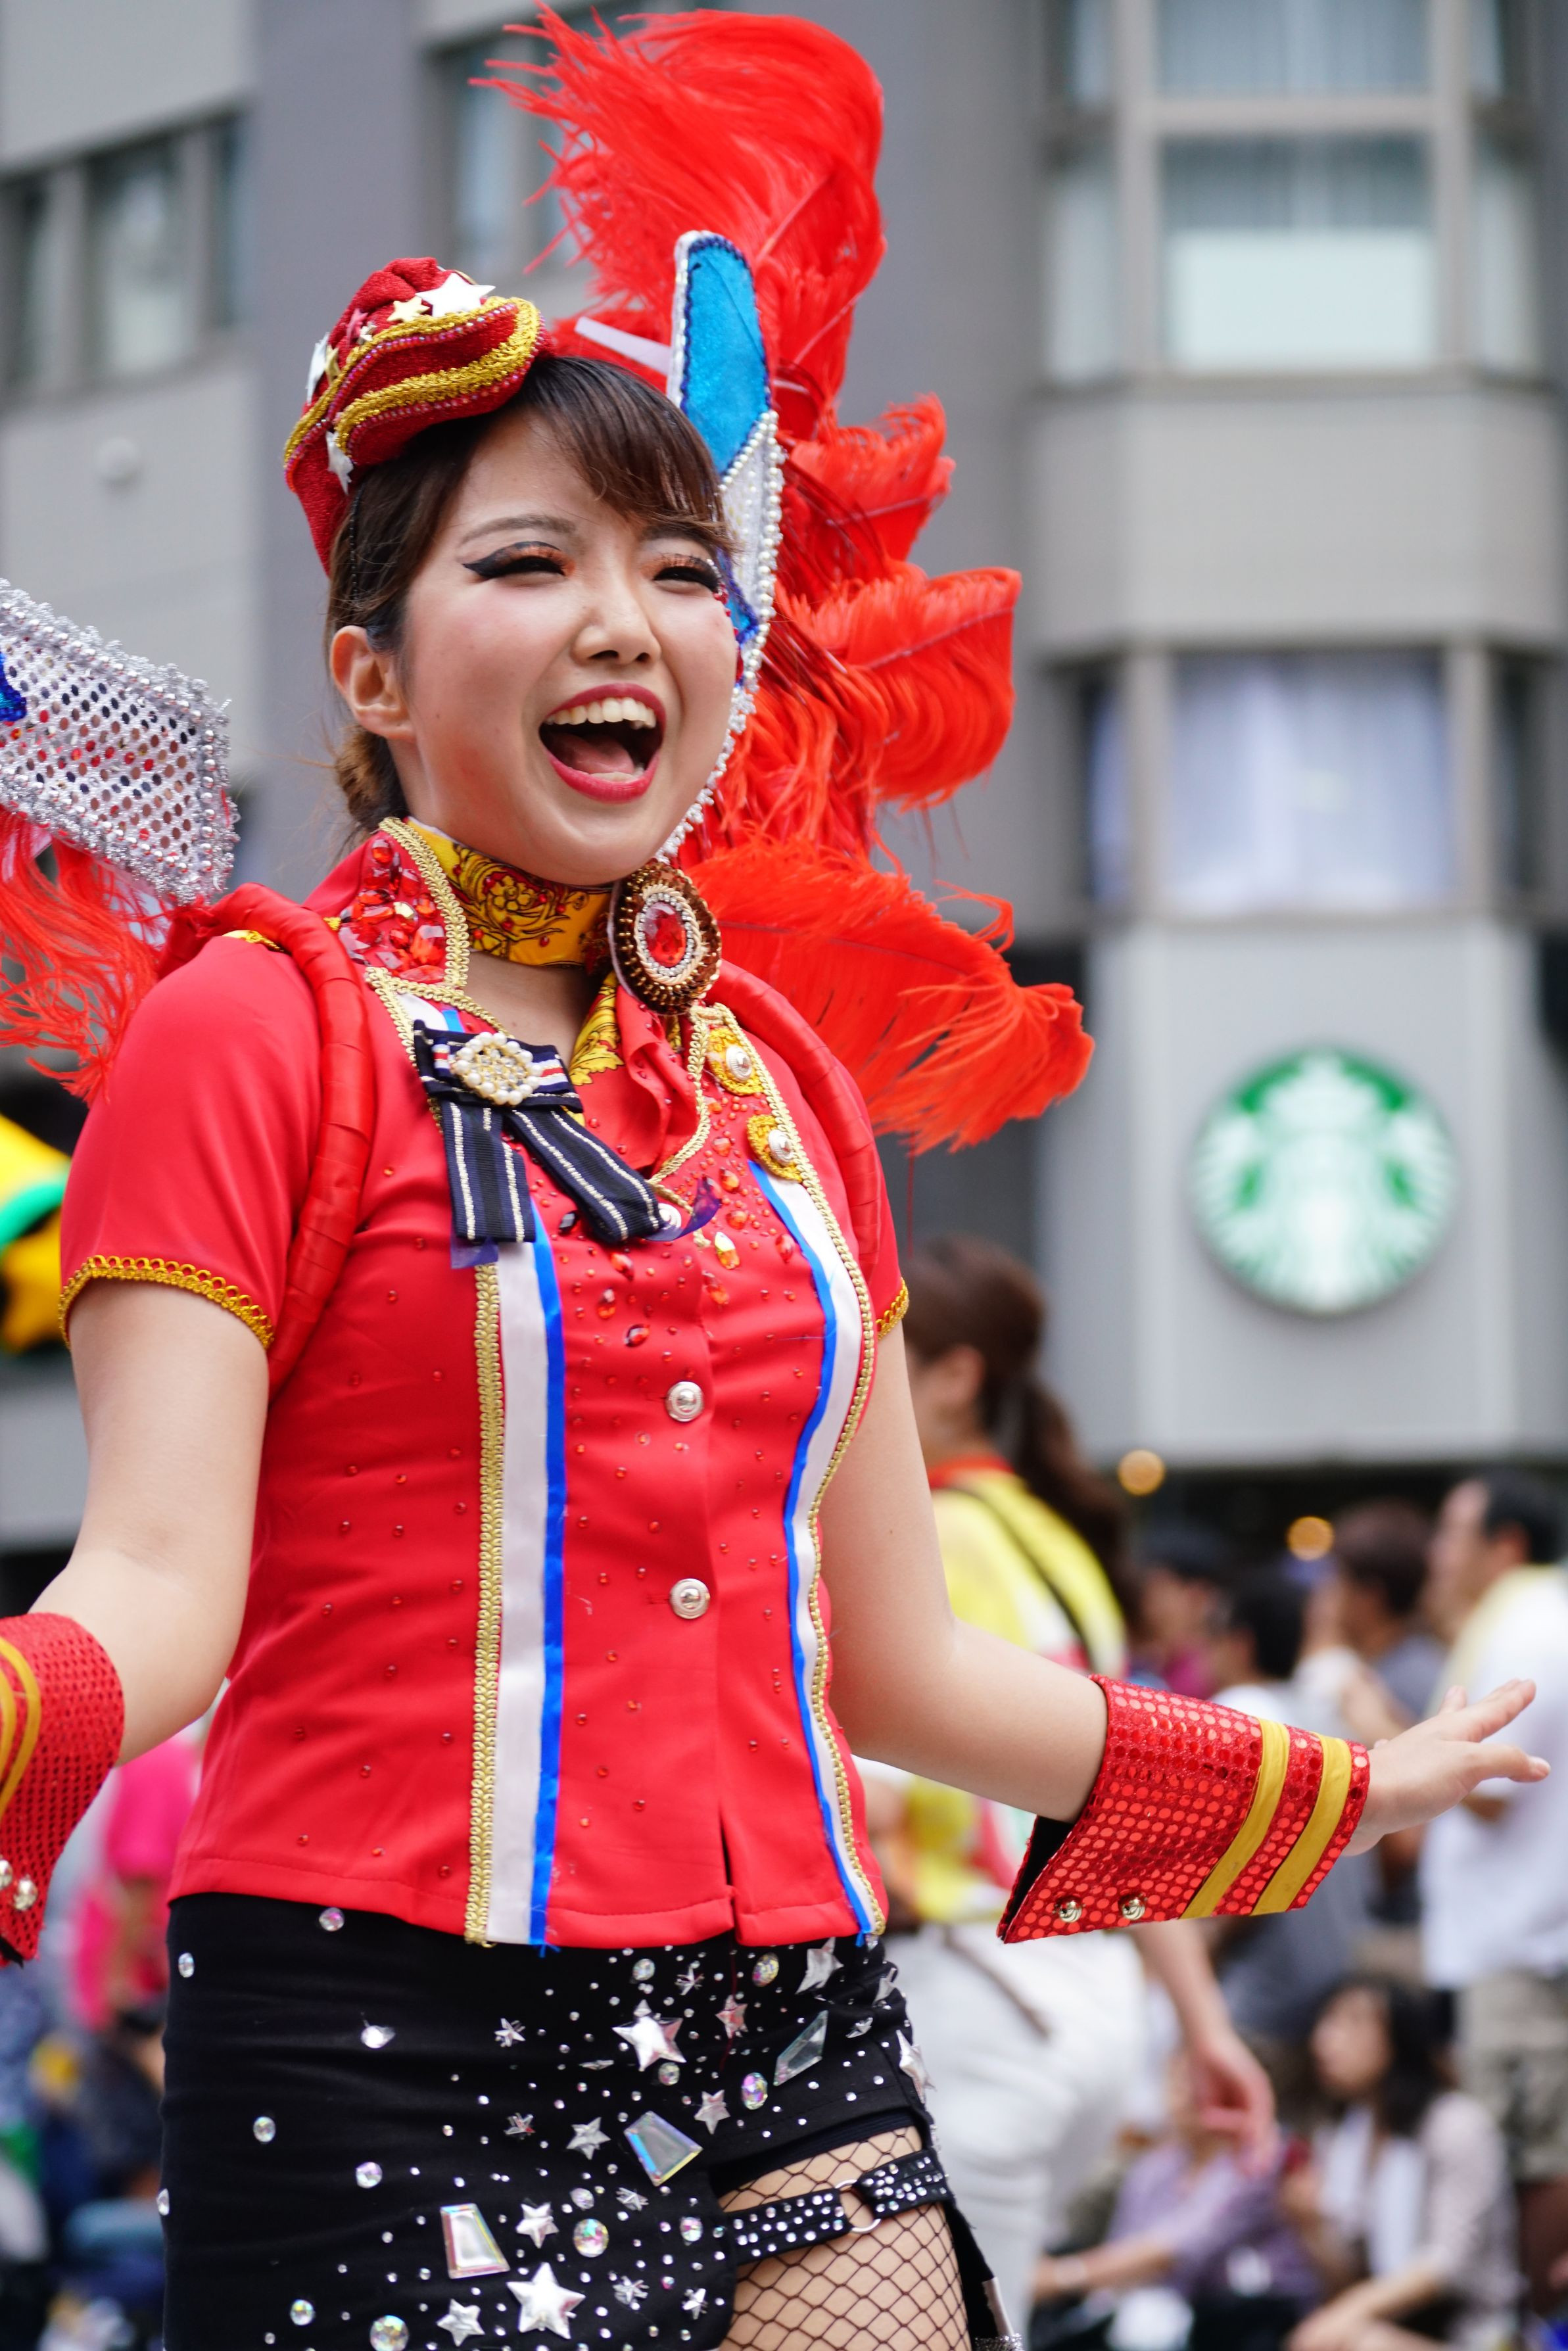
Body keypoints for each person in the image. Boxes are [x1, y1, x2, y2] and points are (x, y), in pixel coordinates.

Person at [0, 16, 1542, 2351]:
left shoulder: (774, 1083)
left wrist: (1323, 1779)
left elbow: (896, 1662)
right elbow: (158, 1586)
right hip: (386, 2034)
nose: (624, 617)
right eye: (530, 561)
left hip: (792, 2020)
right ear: (373, 676)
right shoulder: (257, 1031)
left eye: (679, 565)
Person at [870, 1236, 1273, 2332]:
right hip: (1086, 2001)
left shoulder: (937, 1535)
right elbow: (1119, 1798)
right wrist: (1202, 2023)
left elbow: (887, 1791)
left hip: (979, 1997)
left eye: (878, 1345)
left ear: (955, 1377)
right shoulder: (1053, 1537)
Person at [1419, 1467, 1568, 2316]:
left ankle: (1536, 2329)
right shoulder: (1529, 1617)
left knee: (1532, 2155)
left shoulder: (1528, 1627)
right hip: (1516, 1938)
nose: (1439, 1553)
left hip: (1521, 1942)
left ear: (1504, 1546)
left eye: (1453, 1533)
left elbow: (1484, 1785)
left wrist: (1385, 1746)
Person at [1206, 1577, 1374, 2100]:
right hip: (1330, 1980)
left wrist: (1199, 1958)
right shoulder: (1319, 1717)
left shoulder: (1237, 1713)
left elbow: (1248, 1869)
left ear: (1240, 1643)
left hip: (1261, 1991)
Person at [1283, 1978, 1518, 2351]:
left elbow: (1446, 2265)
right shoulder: (1345, 2136)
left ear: (1398, 2037)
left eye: (1351, 2023)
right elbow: (1348, 2279)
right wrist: (1311, 2227)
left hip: (1472, 2335)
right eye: (1325, 2023)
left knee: (1352, 2342)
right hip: (1388, 2326)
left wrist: (1348, 2313)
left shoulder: (1456, 2125)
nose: (1324, 2041)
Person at [1033, 2052, 1318, 2351]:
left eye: (1200, 2084)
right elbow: (1124, 2247)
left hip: (1245, 2318)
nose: (1186, 2096)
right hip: (1159, 2314)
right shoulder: (1154, 2167)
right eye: (1178, 2082)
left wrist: (1060, 2277)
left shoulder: (1260, 2157)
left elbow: (1173, 2250)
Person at [1329, 1506, 1444, 1730]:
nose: (1326, 1596)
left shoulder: (1415, 1680)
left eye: (1338, 1581)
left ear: (1369, 1596)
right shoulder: (1389, 1667)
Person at [1135, 1523, 1234, 1699]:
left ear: (1198, 1596)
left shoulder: (1213, 1679)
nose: (1148, 1602)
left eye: (1160, 1588)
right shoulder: (1149, 1661)